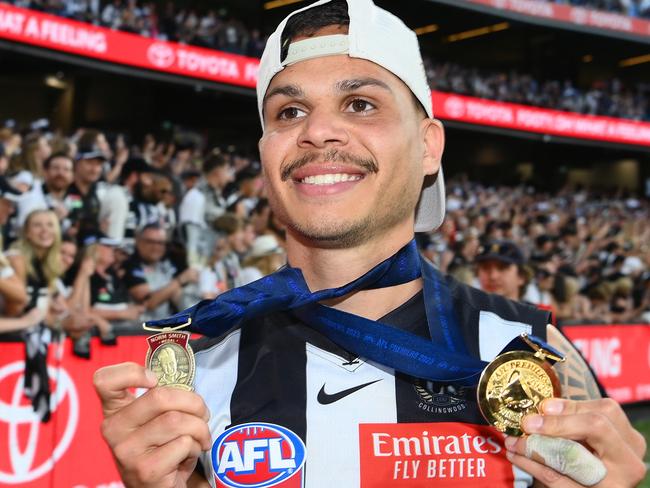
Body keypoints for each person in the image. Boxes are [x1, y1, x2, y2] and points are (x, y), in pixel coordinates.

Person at [94, 1, 646, 487]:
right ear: (264, 154)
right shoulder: (195, 367)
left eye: (360, 103)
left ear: (429, 147)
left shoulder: (531, 351)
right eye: (290, 112)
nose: (318, 132)